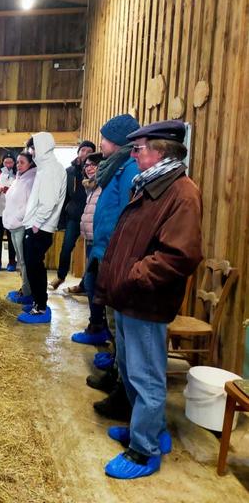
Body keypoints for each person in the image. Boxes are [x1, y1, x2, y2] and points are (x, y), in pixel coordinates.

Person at [96, 120, 202, 480]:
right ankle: (149, 428)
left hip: (146, 299)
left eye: (139, 149)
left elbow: (180, 256)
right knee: (129, 370)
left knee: (146, 376)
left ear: (160, 150)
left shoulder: (181, 193)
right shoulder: (152, 185)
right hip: (130, 298)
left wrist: (133, 275)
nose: (135, 154)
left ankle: (144, 452)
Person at [78, 115, 141, 422]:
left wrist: (113, 252)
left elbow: (126, 217)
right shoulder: (115, 167)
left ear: (118, 140)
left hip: (116, 254)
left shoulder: (128, 169)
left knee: (117, 322)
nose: (100, 143)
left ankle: (121, 390)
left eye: (104, 138)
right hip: (104, 249)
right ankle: (115, 375)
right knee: (112, 321)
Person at [16, 132, 67, 324]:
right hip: (38, 225)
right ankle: (37, 301)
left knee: (35, 267)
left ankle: (41, 308)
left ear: (43, 147)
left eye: (33, 148)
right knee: (32, 266)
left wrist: (37, 223)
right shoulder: (45, 168)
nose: (32, 152)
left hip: (41, 227)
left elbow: (48, 202)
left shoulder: (52, 169)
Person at [49, 140, 96, 291]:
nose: (86, 153)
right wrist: (61, 219)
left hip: (92, 217)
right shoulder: (69, 171)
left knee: (91, 252)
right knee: (67, 246)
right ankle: (60, 276)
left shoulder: (97, 171)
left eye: (89, 150)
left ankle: (84, 284)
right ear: (78, 152)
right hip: (74, 216)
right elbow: (64, 197)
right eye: (83, 150)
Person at [71, 152, 106, 344]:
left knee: (95, 285)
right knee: (92, 285)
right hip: (91, 239)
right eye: (87, 165)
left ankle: (98, 328)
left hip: (100, 241)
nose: (89, 168)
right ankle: (96, 325)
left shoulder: (104, 185)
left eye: (93, 164)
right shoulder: (91, 186)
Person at [2, 151, 37, 305]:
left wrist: (17, 217)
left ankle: (28, 292)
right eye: (17, 162)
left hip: (21, 225)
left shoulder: (31, 180)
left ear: (30, 164)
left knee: (24, 260)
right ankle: (25, 288)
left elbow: (30, 205)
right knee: (21, 261)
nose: (18, 165)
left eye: (22, 162)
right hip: (13, 224)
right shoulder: (19, 178)